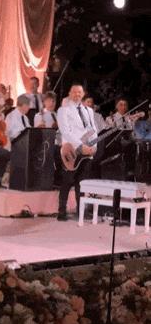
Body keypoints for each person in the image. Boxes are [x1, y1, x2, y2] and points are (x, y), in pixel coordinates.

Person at [57, 83, 96, 221]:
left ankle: (81, 211)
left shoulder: (89, 111)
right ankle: (61, 211)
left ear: (83, 94)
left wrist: (93, 146)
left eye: (79, 92)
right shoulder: (63, 110)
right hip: (70, 151)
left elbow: (93, 130)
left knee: (82, 182)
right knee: (67, 181)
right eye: (74, 92)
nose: (77, 94)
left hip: (86, 151)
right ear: (69, 93)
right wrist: (80, 146)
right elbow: (65, 131)